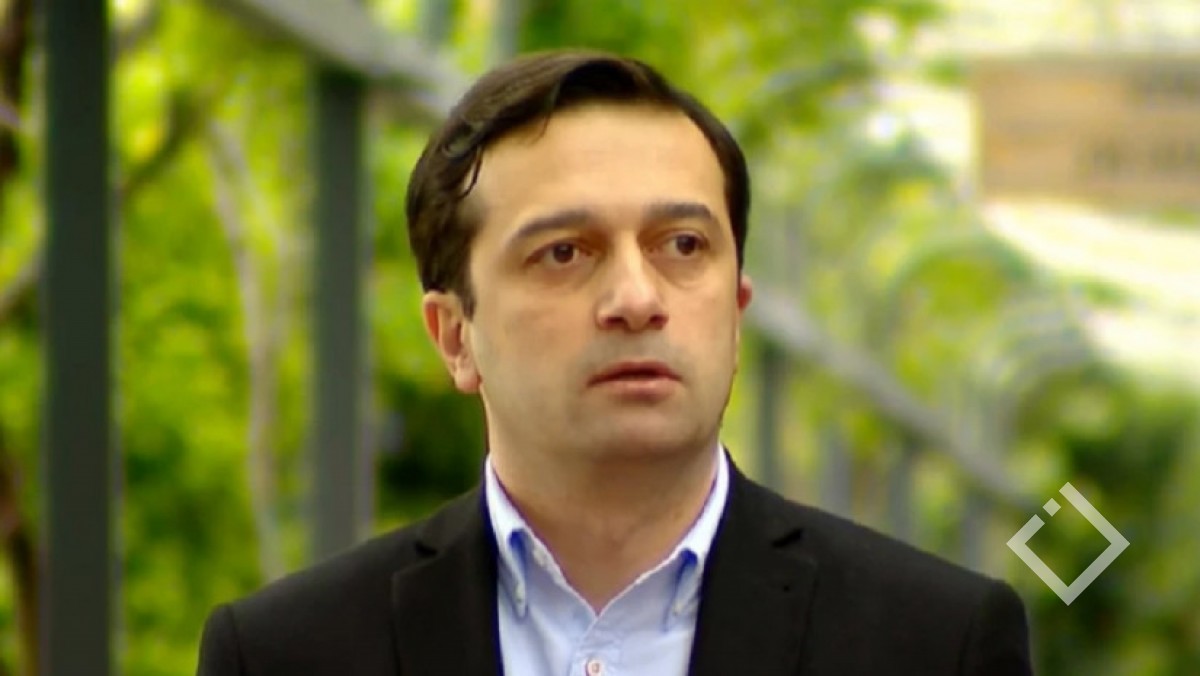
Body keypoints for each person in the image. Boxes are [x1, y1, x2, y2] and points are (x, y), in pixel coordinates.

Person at [197, 49, 1033, 675]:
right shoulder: (284, 655)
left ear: (736, 311)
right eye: (564, 252)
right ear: (454, 336)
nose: (637, 297)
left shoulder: (935, 644)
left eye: (683, 245)